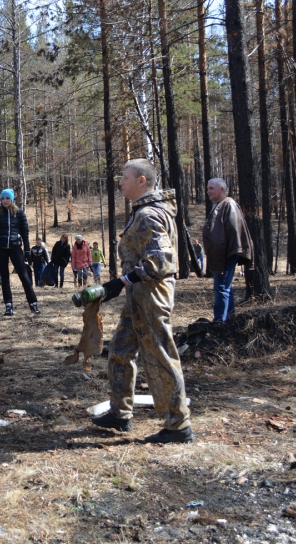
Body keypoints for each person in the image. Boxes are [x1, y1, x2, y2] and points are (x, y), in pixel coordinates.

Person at [90, 158, 193, 444]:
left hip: (151, 296)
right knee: (120, 350)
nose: (121, 183)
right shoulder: (143, 211)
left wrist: (120, 282)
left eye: (125, 178)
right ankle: (120, 413)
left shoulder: (149, 214)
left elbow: (159, 262)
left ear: (141, 181)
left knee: (159, 356)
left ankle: (178, 425)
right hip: (138, 295)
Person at [202, 178, 254, 323]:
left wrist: (228, 253)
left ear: (222, 189)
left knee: (221, 287)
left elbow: (232, 231)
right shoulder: (219, 205)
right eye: (207, 188)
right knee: (226, 287)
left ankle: (220, 321)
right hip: (222, 253)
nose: (208, 191)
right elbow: (219, 229)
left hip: (226, 253)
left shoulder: (228, 204)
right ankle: (230, 320)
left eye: (211, 188)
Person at [0, 189, 40, 316]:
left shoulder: (19, 213)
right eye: (3, 198)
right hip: (0, 248)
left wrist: (27, 251)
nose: (5, 201)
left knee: (24, 276)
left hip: (15, 247)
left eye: (7, 198)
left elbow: (25, 234)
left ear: (12, 199)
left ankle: (33, 304)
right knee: (4, 277)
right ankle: (8, 306)